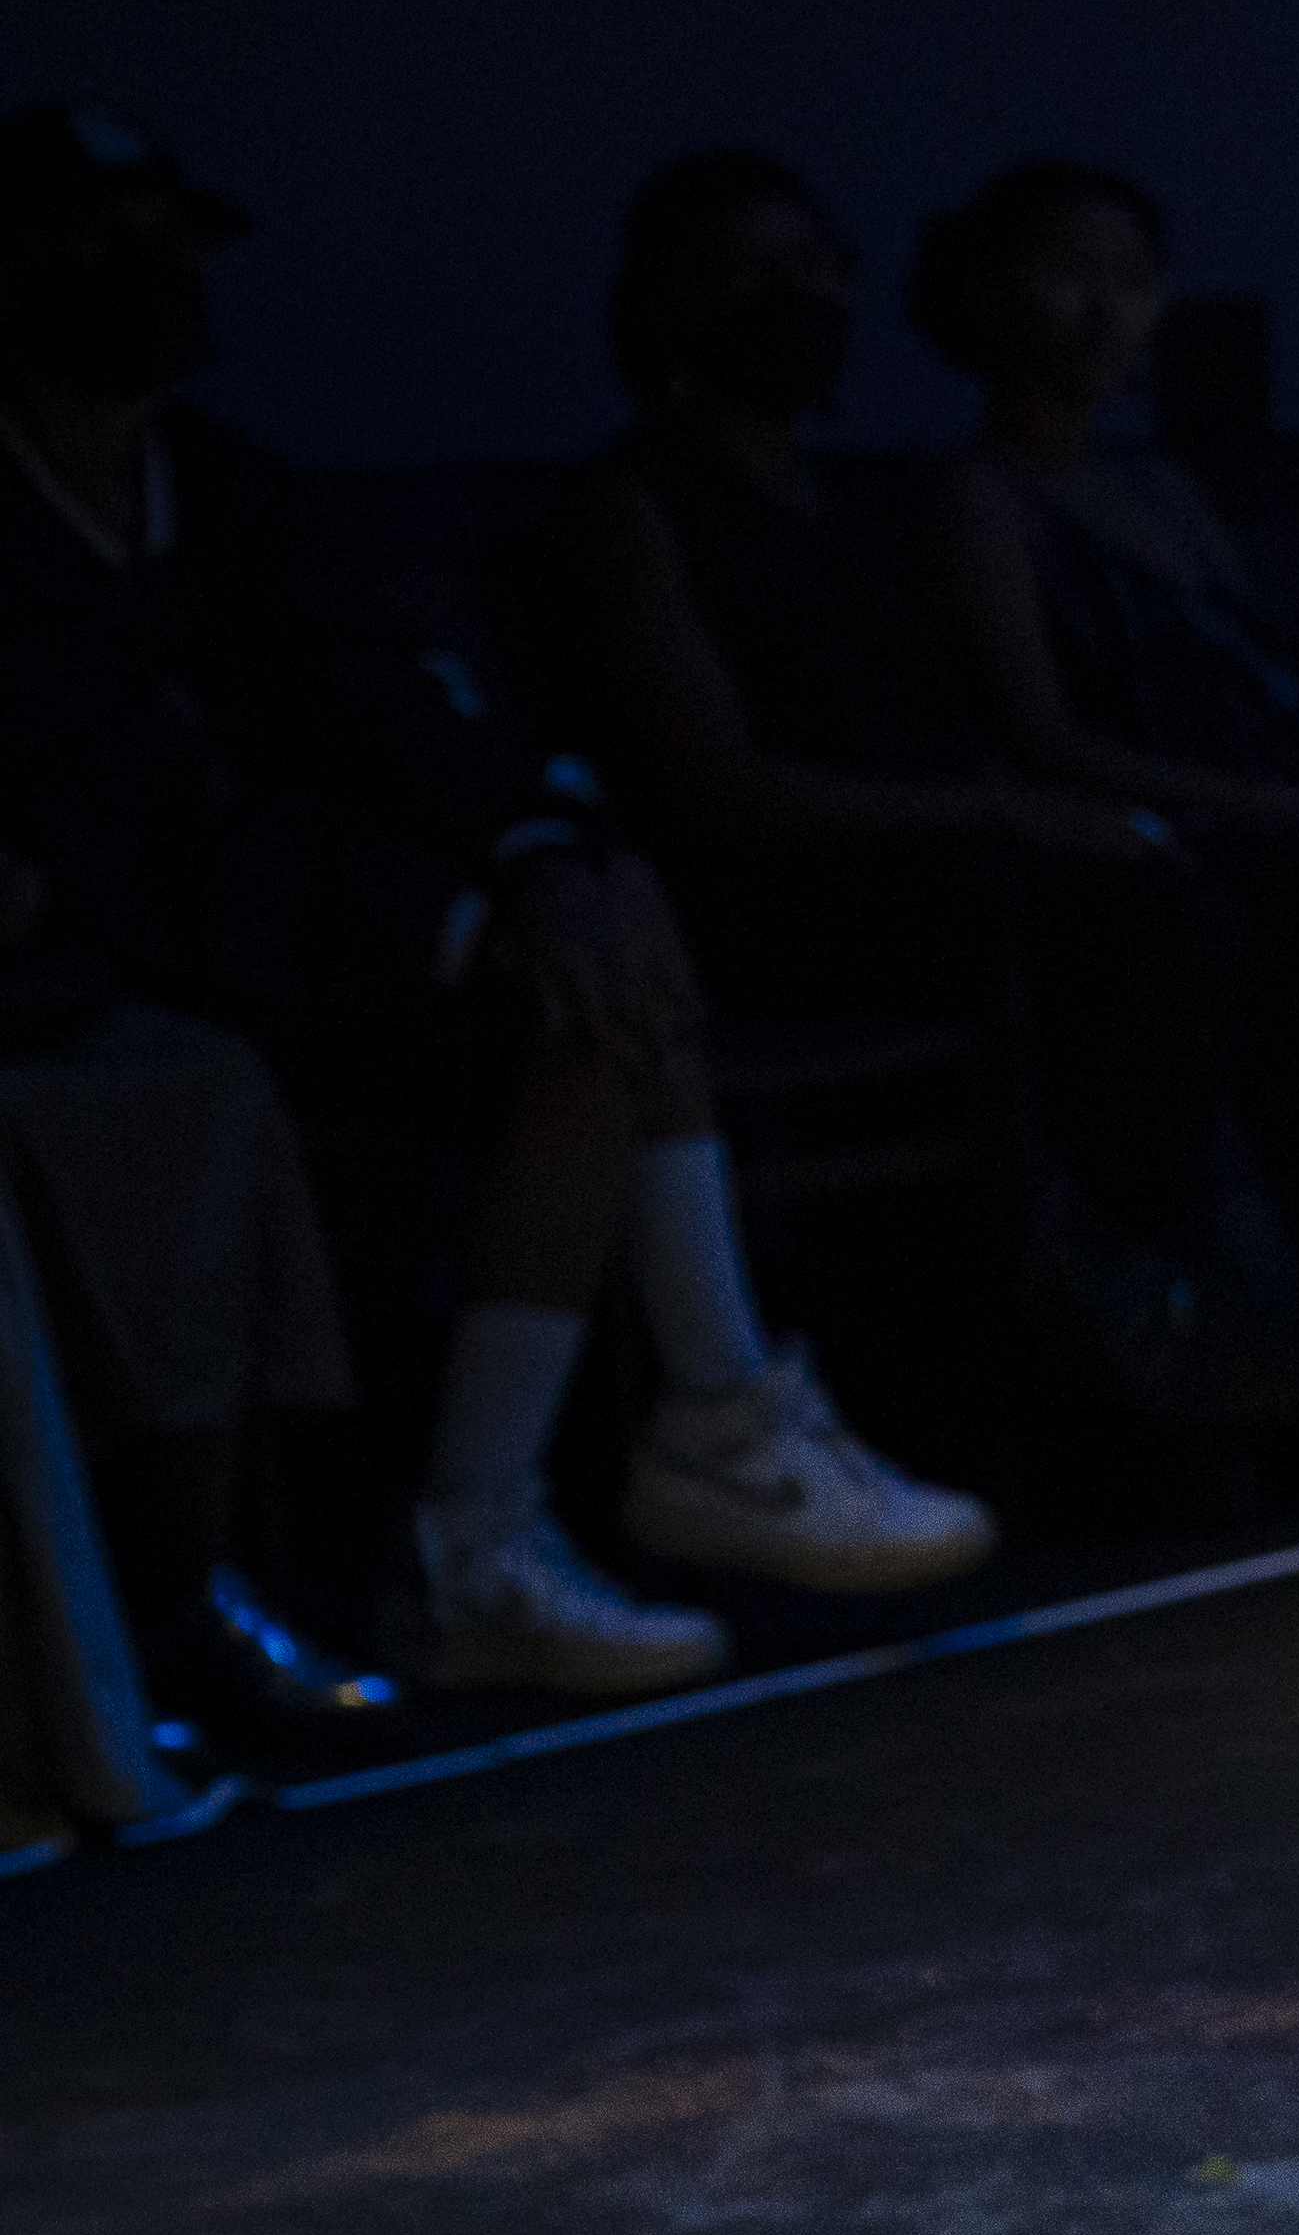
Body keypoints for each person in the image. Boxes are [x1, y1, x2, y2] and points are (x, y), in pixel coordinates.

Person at [2, 104, 984, 1706]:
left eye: (167, 242)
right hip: (140, 954)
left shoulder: (225, 487)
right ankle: (579, 1480)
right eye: (99, 244)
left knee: (598, 937)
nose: (150, 275)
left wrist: (539, 852)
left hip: (297, 925)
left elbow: (387, 700)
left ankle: (577, 1490)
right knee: (558, 959)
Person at [550, 146, 1299, 1474]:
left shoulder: (863, 503)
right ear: (669, 300)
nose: (791, 299)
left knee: (1250, 903)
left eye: (813, 269)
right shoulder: (635, 509)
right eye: (748, 274)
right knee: (1151, 934)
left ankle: (1250, 1358)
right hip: (782, 900)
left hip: (947, 863)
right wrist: (1002, 815)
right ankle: (1108, 1364)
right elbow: (719, 789)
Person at [906, 156, 1299, 1487]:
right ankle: (1269, 1377)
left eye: (1132, 280)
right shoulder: (979, 497)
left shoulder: (1166, 490)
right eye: (1065, 275)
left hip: (1290, 814)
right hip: (1157, 839)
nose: (1102, 312)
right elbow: (1047, 735)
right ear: (988, 293)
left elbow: (1262, 688)